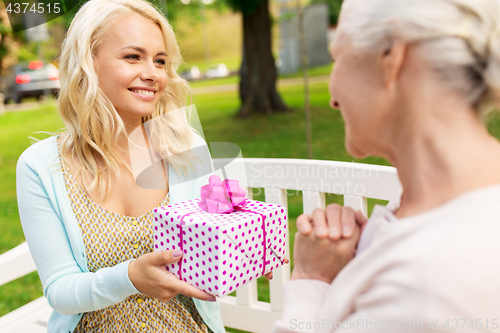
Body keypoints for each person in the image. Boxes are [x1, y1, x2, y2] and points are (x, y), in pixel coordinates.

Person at [272, 0, 500, 332]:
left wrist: (312, 280)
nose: (333, 96)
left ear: (390, 56)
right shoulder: (439, 208)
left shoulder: (428, 287)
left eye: (338, 58)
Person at [16, 0, 226, 331]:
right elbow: (60, 291)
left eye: (160, 61)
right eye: (133, 56)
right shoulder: (41, 165)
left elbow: (210, 251)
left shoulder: (185, 148)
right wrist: (130, 278)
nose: (152, 73)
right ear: (88, 62)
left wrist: (244, 253)